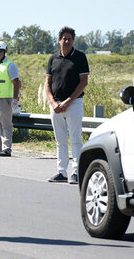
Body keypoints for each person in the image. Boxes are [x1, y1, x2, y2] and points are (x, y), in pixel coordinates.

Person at [45, 26, 89, 184]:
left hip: (74, 103)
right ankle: (61, 172)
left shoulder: (80, 57)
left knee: (76, 139)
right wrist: (52, 102)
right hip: (55, 105)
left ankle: (76, 172)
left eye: (70, 38)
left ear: (73, 40)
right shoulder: (53, 59)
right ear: (59, 40)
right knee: (60, 140)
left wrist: (68, 102)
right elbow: (47, 83)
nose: (67, 41)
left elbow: (84, 82)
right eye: (64, 38)